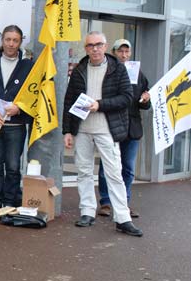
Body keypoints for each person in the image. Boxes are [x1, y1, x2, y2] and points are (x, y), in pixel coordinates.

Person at [63, 31, 143, 237]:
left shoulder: (118, 69)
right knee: (84, 171)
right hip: (82, 129)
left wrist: (100, 105)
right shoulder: (80, 69)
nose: (95, 49)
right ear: (86, 48)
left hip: (107, 129)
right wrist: (67, 131)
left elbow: (126, 97)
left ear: (106, 46)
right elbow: (69, 100)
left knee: (114, 172)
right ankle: (87, 211)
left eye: (98, 44)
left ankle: (122, 217)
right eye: (90, 45)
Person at [0, 26, 33, 210]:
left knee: (12, 165)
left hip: (15, 124)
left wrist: (20, 108)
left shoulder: (27, 65)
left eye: (15, 40)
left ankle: (10, 201)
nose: (11, 44)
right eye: (8, 39)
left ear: (20, 42)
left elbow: (32, 94)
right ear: (2, 40)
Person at [98, 39, 150, 219]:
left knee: (128, 168)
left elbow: (144, 104)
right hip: (111, 125)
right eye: (120, 51)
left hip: (132, 128)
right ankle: (105, 201)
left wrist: (146, 98)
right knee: (108, 165)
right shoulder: (107, 72)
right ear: (113, 52)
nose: (124, 55)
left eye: (127, 52)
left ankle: (124, 203)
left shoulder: (139, 75)